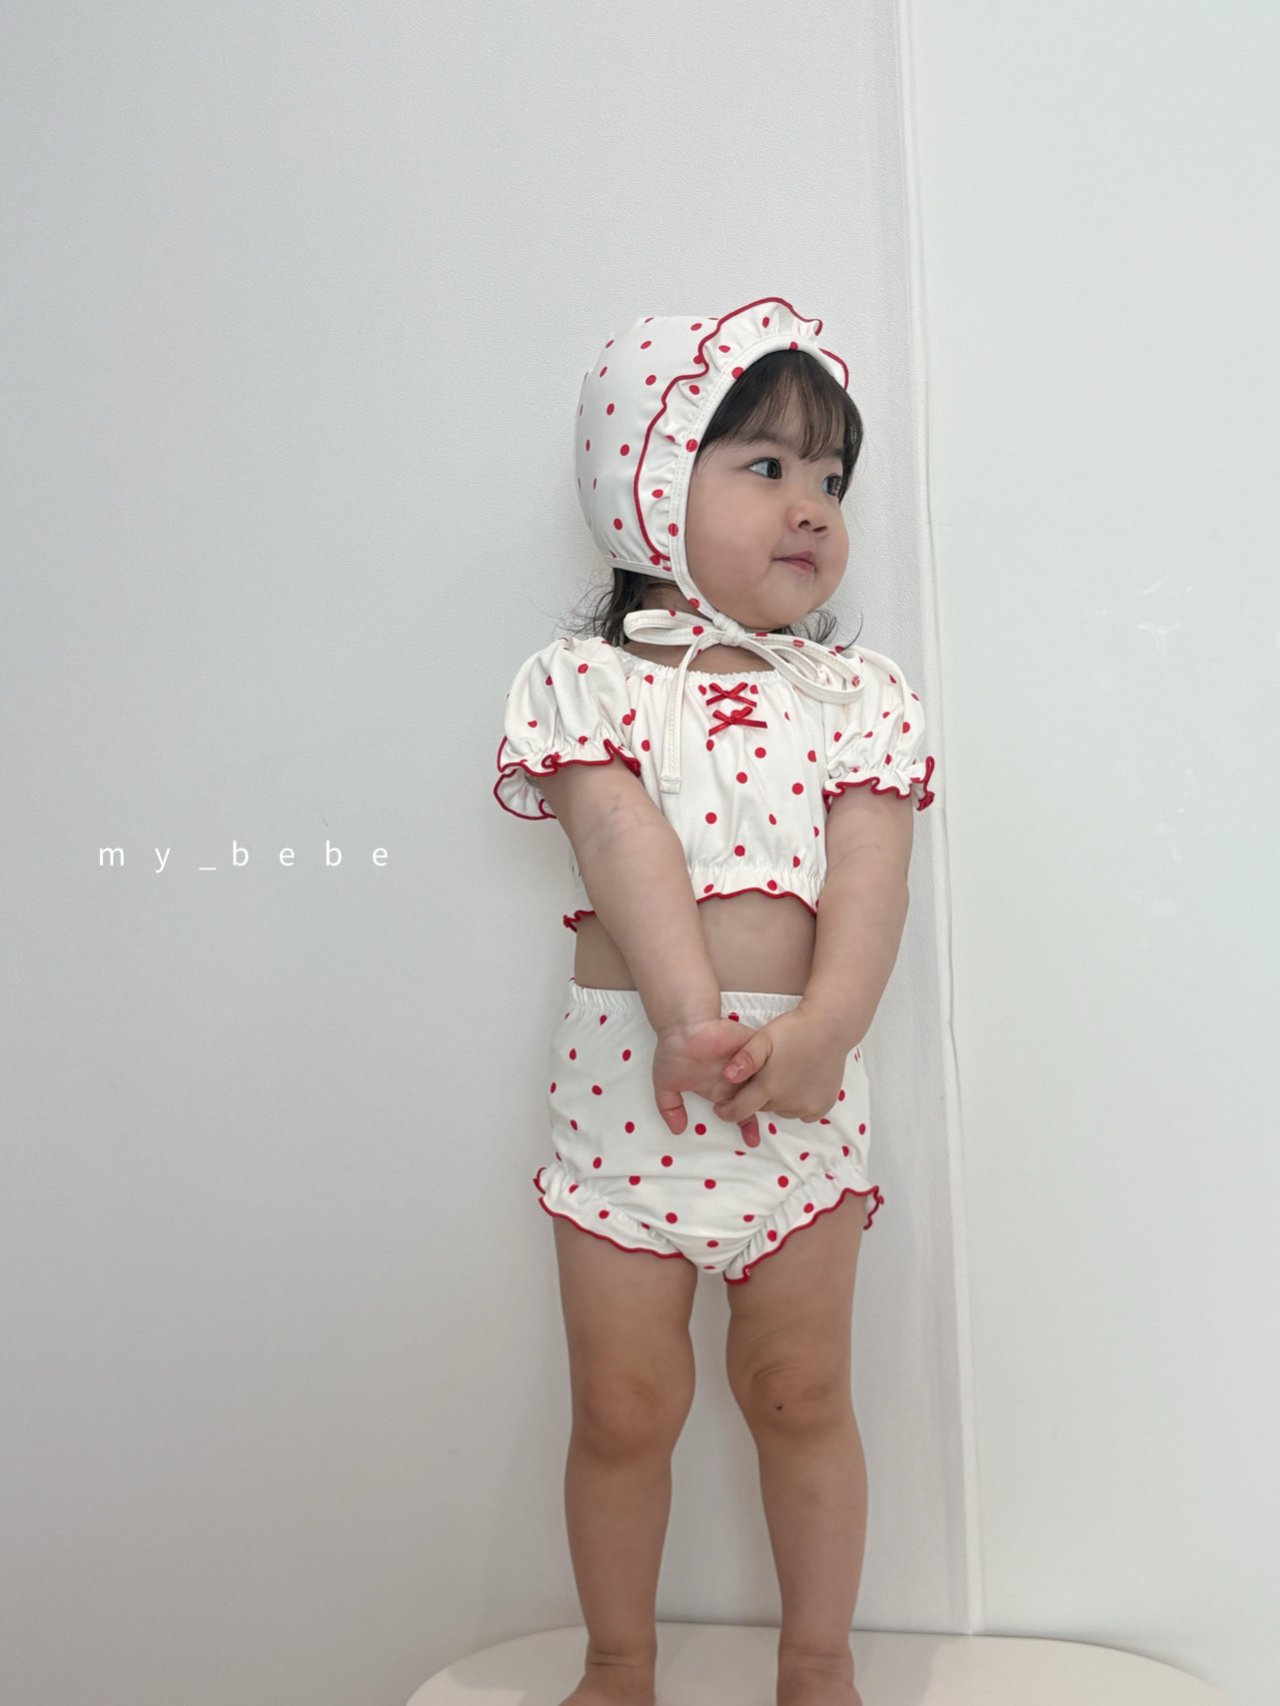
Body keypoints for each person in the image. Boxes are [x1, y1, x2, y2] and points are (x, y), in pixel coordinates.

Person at [493, 296, 938, 1706]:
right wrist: (689, 1017)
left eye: (832, 477)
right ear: (646, 483)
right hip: (634, 1089)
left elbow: (871, 878)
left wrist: (824, 1034)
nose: (812, 504)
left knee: (801, 1392)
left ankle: (818, 1661)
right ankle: (619, 1662)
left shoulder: (857, 695)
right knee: (624, 1407)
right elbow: (619, 842)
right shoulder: (589, 683)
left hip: (799, 1089)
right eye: (766, 465)